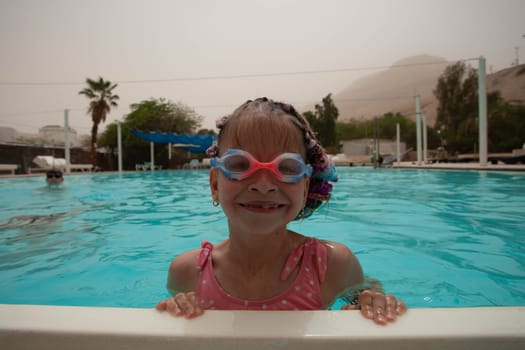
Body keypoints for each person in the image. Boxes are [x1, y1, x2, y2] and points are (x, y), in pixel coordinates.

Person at [156, 97, 406, 325]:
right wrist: (177, 310)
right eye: (240, 164)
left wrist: (372, 302)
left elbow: (367, 295)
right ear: (214, 185)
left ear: (306, 186)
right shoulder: (188, 272)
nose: (263, 185)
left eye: (287, 167)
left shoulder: (332, 266)